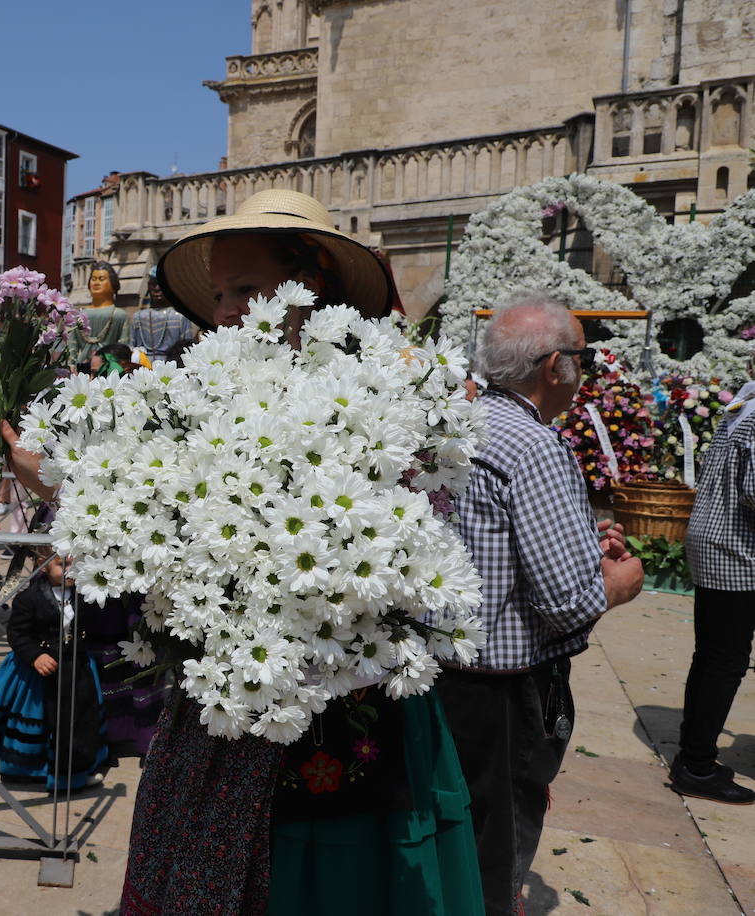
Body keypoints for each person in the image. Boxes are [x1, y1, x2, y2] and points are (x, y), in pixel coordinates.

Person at [113, 190, 484, 915]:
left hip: (345, 702)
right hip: (225, 704)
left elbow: (411, 559)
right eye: (220, 293)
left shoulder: (385, 401)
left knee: (330, 883)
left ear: (312, 289)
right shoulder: (194, 404)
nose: (226, 310)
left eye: (247, 289)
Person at [436, 294, 644, 914]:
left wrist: (584, 541)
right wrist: (617, 583)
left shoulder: (461, 423)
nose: (585, 371)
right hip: (501, 690)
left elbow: (493, 546)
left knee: (454, 834)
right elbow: (564, 601)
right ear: (555, 366)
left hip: (440, 673)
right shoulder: (534, 447)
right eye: (582, 358)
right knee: (491, 848)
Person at [672, 356, 755, 805]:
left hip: (715, 542)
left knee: (712, 656)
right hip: (737, 551)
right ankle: (697, 766)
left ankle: (693, 756)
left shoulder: (744, 406)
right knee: (725, 661)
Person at [0, 551, 109, 789]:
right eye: (62, 564)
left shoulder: (85, 593)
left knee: (78, 718)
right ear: (42, 564)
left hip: (75, 668)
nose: (71, 570)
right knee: (39, 718)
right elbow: (17, 634)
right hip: (36, 674)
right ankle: (29, 769)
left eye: (76, 563)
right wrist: (35, 655)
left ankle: (76, 771)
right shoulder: (28, 598)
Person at [130, 265, 196, 362]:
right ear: (148, 286)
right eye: (153, 284)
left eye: (161, 283)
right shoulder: (138, 317)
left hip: (172, 365)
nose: (157, 288)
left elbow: (188, 349)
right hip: (143, 366)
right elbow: (131, 346)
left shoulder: (180, 317)